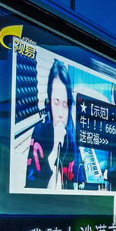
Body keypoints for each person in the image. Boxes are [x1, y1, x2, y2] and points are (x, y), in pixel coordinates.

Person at [27, 61, 83, 189]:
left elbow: (78, 181)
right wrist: (53, 154)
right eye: (56, 103)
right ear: (49, 102)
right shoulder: (40, 132)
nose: (61, 113)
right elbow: (31, 186)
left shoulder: (72, 133)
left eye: (65, 104)